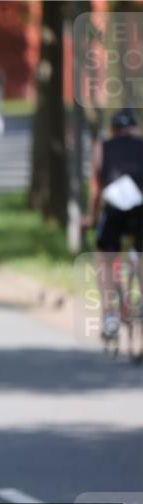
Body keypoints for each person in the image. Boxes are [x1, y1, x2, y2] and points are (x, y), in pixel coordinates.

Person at [83, 108, 143, 342]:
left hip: (115, 210)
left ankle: (109, 315)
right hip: (140, 211)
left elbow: (96, 190)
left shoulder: (103, 147)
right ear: (134, 128)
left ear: (113, 130)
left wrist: (91, 218)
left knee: (104, 259)